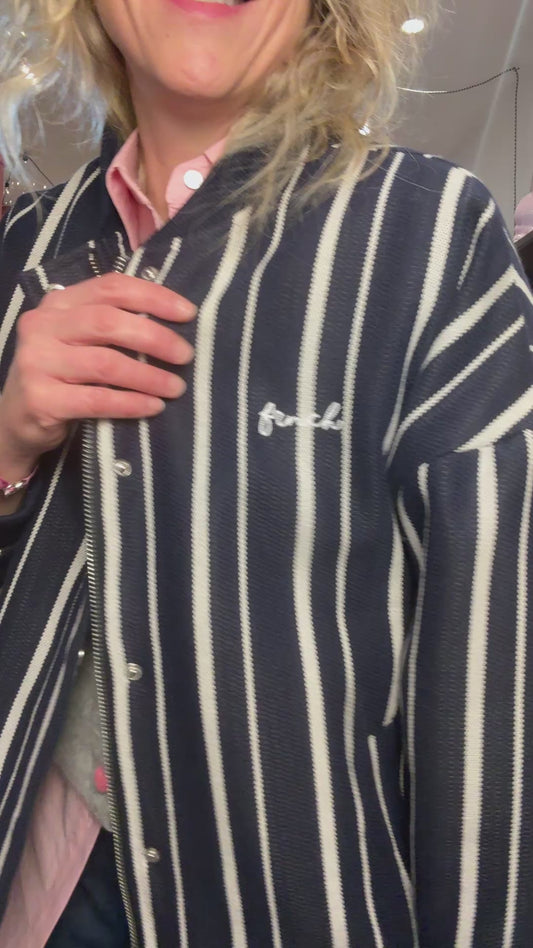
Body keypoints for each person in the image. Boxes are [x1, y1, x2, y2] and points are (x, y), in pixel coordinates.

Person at [0, 0, 532, 945]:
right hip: (41, 877)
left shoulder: (430, 235)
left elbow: (493, 675)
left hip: (291, 902)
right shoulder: (25, 248)